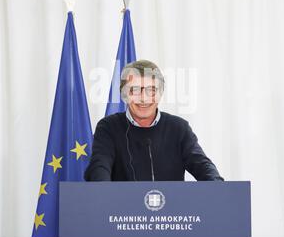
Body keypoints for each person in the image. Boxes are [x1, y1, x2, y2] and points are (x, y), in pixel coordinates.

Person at [84, 60, 224, 181]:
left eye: (151, 90)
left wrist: (220, 189)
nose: (144, 99)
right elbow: (99, 168)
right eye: (135, 90)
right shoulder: (108, 127)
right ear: (124, 94)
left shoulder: (178, 128)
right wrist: (101, 193)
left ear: (160, 93)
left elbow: (202, 165)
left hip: (172, 211)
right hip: (121, 211)